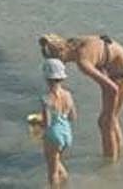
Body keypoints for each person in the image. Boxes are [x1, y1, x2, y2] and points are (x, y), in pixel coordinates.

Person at [39, 33, 123, 161]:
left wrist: (107, 115)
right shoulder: (78, 42)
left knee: (105, 122)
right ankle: (120, 151)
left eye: (60, 61)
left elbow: (113, 89)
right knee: (111, 119)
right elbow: (103, 49)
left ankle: (110, 163)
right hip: (117, 72)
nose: (63, 65)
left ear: (61, 53)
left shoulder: (82, 61)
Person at [40, 58, 76, 187]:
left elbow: (47, 122)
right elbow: (73, 117)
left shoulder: (46, 98)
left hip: (53, 134)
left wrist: (37, 124)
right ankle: (66, 184)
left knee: (52, 171)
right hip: (66, 133)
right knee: (57, 162)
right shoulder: (68, 95)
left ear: (46, 78)